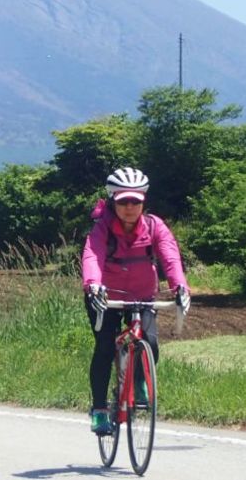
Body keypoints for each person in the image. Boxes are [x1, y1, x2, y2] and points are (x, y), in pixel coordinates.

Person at [81, 167, 191, 435]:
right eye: (123, 202)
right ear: (112, 201)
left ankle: (140, 379)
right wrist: (93, 286)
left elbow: (170, 256)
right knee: (105, 347)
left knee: (150, 341)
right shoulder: (102, 228)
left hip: (142, 295)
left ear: (143, 201)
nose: (130, 207)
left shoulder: (155, 226)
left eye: (135, 201)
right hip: (105, 296)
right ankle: (99, 409)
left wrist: (180, 287)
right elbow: (92, 256)